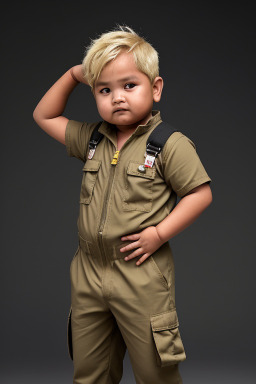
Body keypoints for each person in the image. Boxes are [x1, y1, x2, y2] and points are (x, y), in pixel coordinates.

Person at [33, 25, 213, 384]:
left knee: (155, 373)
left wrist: (159, 233)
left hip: (140, 274)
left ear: (156, 88)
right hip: (88, 273)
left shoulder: (169, 144)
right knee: (90, 373)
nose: (117, 97)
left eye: (129, 85)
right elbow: (45, 116)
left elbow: (200, 194)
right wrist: (72, 75)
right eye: (104, 89)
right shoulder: (92, 139)